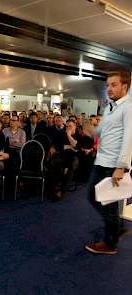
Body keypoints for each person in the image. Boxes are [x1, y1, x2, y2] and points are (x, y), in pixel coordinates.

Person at [85, 71, 132, 255]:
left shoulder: (128, 107)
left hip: (113, 164)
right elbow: (102, 131)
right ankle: (117, 227)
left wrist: (121, 166)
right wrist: (93, 131)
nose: (109, 88)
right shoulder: (110, 107)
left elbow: (129, 138)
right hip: (101, 161)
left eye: (113, 84)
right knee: (93, 196)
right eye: (107, 85)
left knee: (108, 203)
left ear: (124, 87)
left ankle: (109, 243)